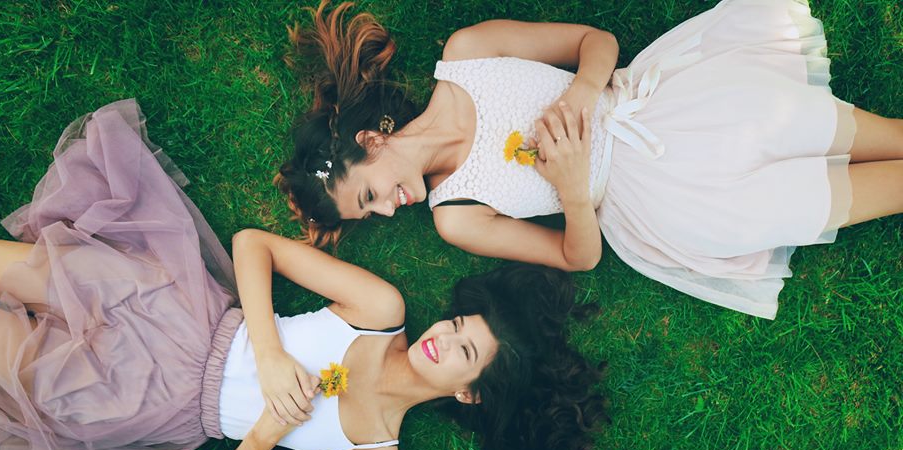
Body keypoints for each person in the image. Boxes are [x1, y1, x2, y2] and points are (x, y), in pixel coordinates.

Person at [0, 100, 607, 450]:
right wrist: (267, 351)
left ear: (470, 392)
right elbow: (252, 246)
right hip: (174, 310)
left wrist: (268, 429)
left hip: (148, 398)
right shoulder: (383, 314)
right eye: (460, 321)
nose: (443, 335)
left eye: (464, 350)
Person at [276, 0, 903, 320]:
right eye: (371, 215)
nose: (389, 211)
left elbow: (594, 43)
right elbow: (579, 257)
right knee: (845, 196)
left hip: (667, 109)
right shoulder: (455, 216)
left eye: (370, 196)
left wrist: (581, 91)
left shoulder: (468, 54)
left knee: (880, 136)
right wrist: (574, 192)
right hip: (667, 203)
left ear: (372, 143)